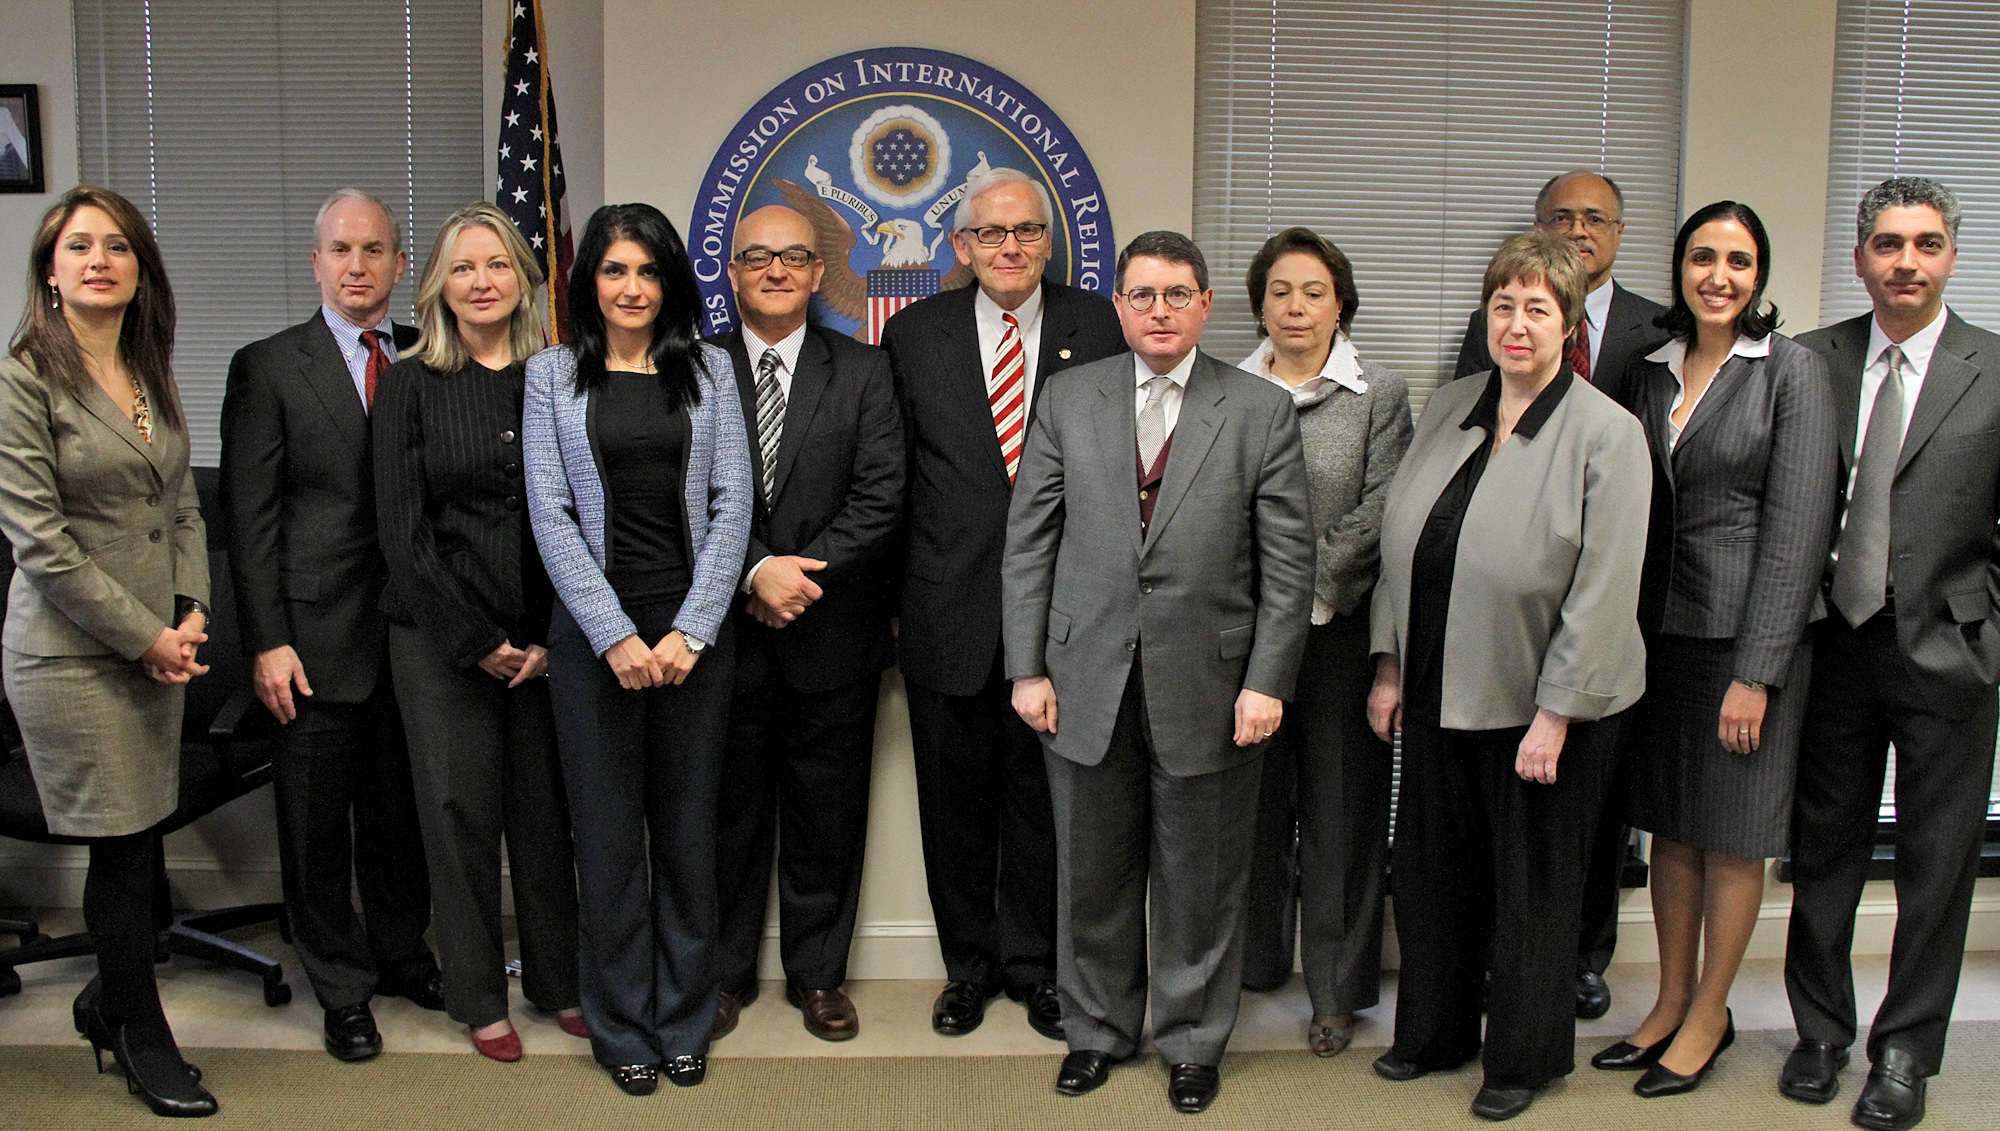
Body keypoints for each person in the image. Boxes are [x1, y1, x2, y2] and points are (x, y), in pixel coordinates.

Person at [1003, 230, 1315, 1114]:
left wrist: (1267, 681)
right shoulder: (1068, 397)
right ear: (1119, 305)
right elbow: (1029, 544)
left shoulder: (1259, 409)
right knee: (1090, 878)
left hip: (1211, 688)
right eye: (1142, 295)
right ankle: (1097, 1030)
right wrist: (1026, 668)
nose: (1159, 311)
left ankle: (1191, 1042)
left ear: (1205, 305)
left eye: (1178, 294)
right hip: (1081, 681)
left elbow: (1289, 566)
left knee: (1200, 884)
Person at [1368, 229, 1650, 1122]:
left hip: (1542, 707)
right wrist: (1387, 666)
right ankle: (1435, 1034)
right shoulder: (1452, 404)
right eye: (1503, 305)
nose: (1516, 324)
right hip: (1437, 686)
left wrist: (1557, 714)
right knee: (1432, 875)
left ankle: (1522, 1060)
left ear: (1568, 325)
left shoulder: (1608, 432)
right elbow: (1401, 544)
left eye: (1537, 307)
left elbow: (1605, 591)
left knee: (1532, 890)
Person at [1592, 201, 1837, 1097]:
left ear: (1758, 274)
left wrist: (1757, 672)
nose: (1718, 276)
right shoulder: (1651, 368)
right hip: (1660, 638)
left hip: (1746, 644)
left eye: (1737, 261)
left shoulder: (1791, 371)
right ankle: (1669, 1000)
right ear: (1680, 268)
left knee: (1733, 837)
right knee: (1671, 827)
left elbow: (1799, 529)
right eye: (1703, 257)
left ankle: (1710, 1014)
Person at [879, 167, 1123, 1040]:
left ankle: (1037, 967)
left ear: (1049, 241)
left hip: (1068, 617)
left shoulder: (1101, 324)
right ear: (960, 246)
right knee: (953, 808)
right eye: (989, 233)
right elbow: (893, 480)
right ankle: (969, 970)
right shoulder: (914, 333)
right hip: (947, 612)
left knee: (1045, 807)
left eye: (1025, 231)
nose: (1009, 247)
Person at [1784, 176, 2000, 1131]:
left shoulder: (1994, 367)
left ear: (1951, 255)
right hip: (1831, 642)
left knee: (1936, 861)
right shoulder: (1809, 360)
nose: (1906, 261)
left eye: (1926, 243)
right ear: (1860, 257)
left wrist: (1988, 630)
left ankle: (1907, 1050)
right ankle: (1820, 1031)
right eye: (1888, 244)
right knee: (1822, 847)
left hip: (1950, 650)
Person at [523, 202, 753, 1095]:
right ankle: (622, 1025)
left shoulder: (710, 369)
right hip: (594, 641)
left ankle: (684, 1019)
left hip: (696, 635)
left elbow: (733, 502)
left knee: (689, 838)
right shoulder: (551, 375)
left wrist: (691, 629)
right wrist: (615, 633)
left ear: (670, 283)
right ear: (590, 282)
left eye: (649, 271)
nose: (632, 287)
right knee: (611, 842)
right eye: (615, 270)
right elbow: (551, 512)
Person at [0, 186, 214, 1117]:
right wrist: (147, 634)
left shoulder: (145, 366)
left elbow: (180, 505)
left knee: (138, 838)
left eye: (118, 246)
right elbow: (41, 544)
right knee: (123, 846)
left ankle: (107, 1001)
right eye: (80, 246)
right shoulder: (22, 379)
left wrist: (192, 609)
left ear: (140, 270)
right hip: (71, 656)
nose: (100, 260)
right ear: (50, 271)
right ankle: (140, 1032)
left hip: (157, 647)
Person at [219, 188, 442, 1062]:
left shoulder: (432, 354)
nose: (357, 265)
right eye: (341, 250)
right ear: (316, 263)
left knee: (400, 814)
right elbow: (249, 522)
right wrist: (266, 640)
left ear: (399, 263)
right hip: (311, 640)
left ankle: (401, 953)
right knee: (316, 828)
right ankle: (342, 987)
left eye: (374, 249)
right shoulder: (270, 366)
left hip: (415, 635)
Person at [372, 201, 584, 1061]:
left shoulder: (559, 377)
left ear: (524, 280)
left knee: (545, 814)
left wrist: (546, 637)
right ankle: (476, 994)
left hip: (544, 640)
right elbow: (402, 534)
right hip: (438, 640)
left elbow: (579, 514)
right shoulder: (410, 383)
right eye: (463, 267)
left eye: (497, 264)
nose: (482, 281)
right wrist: (476, 640)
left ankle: (559, 981)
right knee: (458, 814)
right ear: (437, 287)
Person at [1454, 171, 1668, 1021]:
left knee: (1593, 812)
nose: (1579, 230)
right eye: (1561, 217)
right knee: (1516, 823)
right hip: (1513, 621)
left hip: (1621, 584)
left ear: (1618, 231)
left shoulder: (1658, 328)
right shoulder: (1496, 327)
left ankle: (1584, 955)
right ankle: (1502, 961)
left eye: (1595, 218)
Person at [710, 204, 903, 1042]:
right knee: (725, 818)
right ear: (733, 273)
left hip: (833, 635)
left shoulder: (864, 368)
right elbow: (681, 495)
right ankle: (722, 977)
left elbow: (881, 495)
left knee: (829, 818)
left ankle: (818, 975)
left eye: (794, 256)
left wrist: (795, 577)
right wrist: (756, 569)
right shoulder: (695, 367)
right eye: (758, 257)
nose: (777, 270)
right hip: (720, 636)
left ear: (821, 272)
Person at [1234, 227, 1410, 1056]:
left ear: (1341, 304)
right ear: (1259, 305)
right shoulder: (1227, 388)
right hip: (1241, 636)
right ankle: (1257, 959)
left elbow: (1383, 508)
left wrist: (1307, 592)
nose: (1296, 307)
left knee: (1341, 816)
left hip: (1339, 634)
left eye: (1313, 292)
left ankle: (1337, 992)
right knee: (1252, 810)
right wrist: (1261, 604)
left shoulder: (1380, 394)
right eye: (1280, 292)